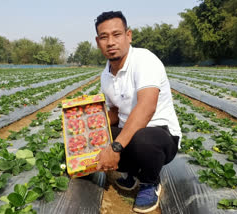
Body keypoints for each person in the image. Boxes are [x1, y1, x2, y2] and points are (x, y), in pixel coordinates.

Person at [94, 11, 181, 213]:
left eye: (116, 34)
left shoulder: (144, 60)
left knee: (143, 140)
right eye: (104, 37)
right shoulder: (105, 75)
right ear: (98, 42)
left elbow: (146, 107)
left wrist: (115, 148)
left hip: (160, 136)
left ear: (128, 35)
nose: (111, 42)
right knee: (96, 139)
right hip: (131, 136)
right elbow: (114, 114)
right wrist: (90, 129)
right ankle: (133, 172)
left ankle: (150, 182)